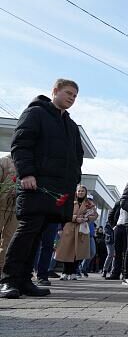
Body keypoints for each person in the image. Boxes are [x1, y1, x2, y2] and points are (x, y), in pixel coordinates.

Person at [1, 79, 83, 299]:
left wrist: (73, 180)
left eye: (75, 96)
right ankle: (8, 280)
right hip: (35, 184)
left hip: (58, 190)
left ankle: (25, 280)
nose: (72, 98)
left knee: (38, 235)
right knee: (27, 230)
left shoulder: (71, 125)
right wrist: (26, 173)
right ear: (55, 91)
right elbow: (21, 144)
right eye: (68, 93)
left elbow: (77, 157)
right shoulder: (35, 114)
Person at [54, 185, 97, 280]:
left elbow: (94, 215)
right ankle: (65, 272)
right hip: (69, 229)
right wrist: (74, 219)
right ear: (76, 192)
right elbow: (63, 214)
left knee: (79, 252)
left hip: (82, 230)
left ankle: (73, 272)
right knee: (67, 251)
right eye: (79, 191)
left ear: (86, 193)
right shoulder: (70, 202)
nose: (81, 192)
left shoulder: (89, 203)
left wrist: (86, 218)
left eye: (83, 191)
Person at [0, 155, 17, 276]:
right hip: (1, 207)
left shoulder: (29, 164)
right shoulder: (4, 161)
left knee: (9, 242)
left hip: (16, 210)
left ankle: (2, 271)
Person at [105, 202, 126, 280]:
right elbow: (111, 215)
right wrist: (114, 226)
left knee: (126, 252)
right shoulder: (119, 203)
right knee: (117, 252)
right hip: (119, 228)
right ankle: (115, 273)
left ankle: (125, 273)